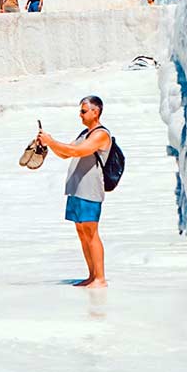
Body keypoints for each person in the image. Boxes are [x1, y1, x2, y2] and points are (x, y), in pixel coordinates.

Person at [37, 96, 112, 289]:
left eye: (84, 111)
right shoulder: (84, 133)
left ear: (95, 112)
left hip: (90, 190)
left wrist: (52, 141)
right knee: (82, 231)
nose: (80, 115)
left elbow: (78, 152)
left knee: (91, 231)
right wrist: (49, 144)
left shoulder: (101, 134)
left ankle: (100, 278)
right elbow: (65, 153)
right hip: (76, 189)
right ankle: (91, 275)